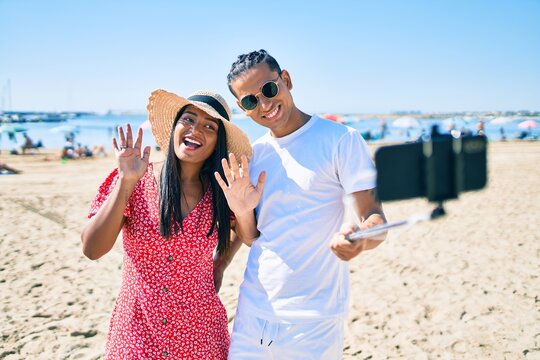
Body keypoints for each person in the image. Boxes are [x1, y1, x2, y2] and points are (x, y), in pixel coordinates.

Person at [222, 49, 387, 358]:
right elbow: (251, 236)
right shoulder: (253, 156)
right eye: (250, 101)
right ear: (242, 109)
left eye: (269, 89)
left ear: (286, 80)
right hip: (253, 313)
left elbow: (375, 217)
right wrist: (222, 258)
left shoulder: (341, 139)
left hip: (315, 321)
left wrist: (360, 241)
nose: (265, 104)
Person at [81, 89, 252, 359]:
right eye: (189, 119)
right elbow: (92, 249)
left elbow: (244, 231)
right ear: (174, 127)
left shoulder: (220, 191)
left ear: (217, 142)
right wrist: (126, 183)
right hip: (137, 331)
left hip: (199, 334)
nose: (196, 130)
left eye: (209, 126)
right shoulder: (135, 177)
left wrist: (221, 263)